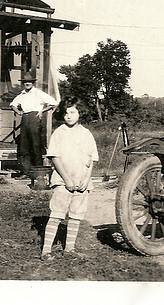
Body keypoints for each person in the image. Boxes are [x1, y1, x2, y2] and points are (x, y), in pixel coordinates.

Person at [41, 96, 99, 260]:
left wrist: (87, 179)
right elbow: (55, 157)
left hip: (82, 182)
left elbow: (91, 159)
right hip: (62, 181)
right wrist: (66, 179)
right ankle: (46, 251)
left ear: (80, 113)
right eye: (66, 113)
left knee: (76, 215)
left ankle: (70, 249)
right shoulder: (59, 133)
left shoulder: (86, 134)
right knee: (57, 214)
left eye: (73, 112)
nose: (69, 116)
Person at [10, 73, 58, 177]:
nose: (27, 83)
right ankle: (25, 172)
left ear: (32, 83)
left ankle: (38, 172)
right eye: (25, 82)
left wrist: (41, 111)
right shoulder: (22, 94)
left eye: (29, 82)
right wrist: (18, 112)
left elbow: (53, 103)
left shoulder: (38, 93)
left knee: (36, 145)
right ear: (23, 83)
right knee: (23, 146)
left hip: (35, 118)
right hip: (25, 118)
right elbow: (13, 105)